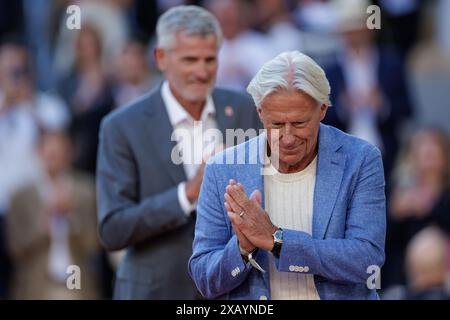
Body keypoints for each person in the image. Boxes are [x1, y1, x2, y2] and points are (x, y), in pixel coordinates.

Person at [189, 51, 386, 300]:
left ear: (322, 109)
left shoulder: (361, 159)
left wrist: (277, 240)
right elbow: (205, 280)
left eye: (300, 123)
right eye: (277, 125)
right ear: (260, 112)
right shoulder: (223, 169)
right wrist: (242, 248)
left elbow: (367, 261)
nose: (289, 138)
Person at [96, 5, 261, 299]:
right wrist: (189, 193)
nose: (201, 71)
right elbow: (113, 229)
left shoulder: (243, 109)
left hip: (235, 289)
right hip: (156, 291)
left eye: (210, 59)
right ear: (161, 57)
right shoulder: (121, 126)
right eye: (190, 60)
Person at [6, 130, 101, 299]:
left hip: (75, 281)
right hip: (36, 285)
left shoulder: (85, 191)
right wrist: (43, 225)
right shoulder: (20, 195)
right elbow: (15, 248)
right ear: (38, 152)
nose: (53, 156)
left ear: (70, 153)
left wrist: (72, 217)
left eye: (59, 151)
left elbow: (93, 246)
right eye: (49, 151)